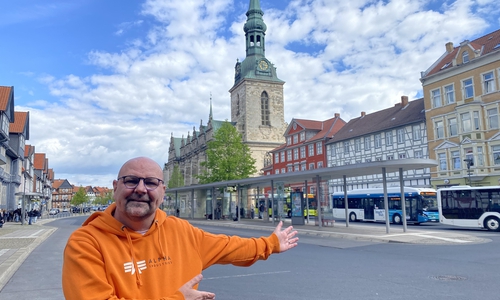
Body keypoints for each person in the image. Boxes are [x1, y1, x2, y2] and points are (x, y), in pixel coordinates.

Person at [62, 157, 298, 300]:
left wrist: (271, 244)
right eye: (132, 180)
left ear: (163, 192)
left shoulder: (181, 231)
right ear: (115, 187)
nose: (141, 189)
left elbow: (229, 246)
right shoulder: (86, 242)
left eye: (151, 182)